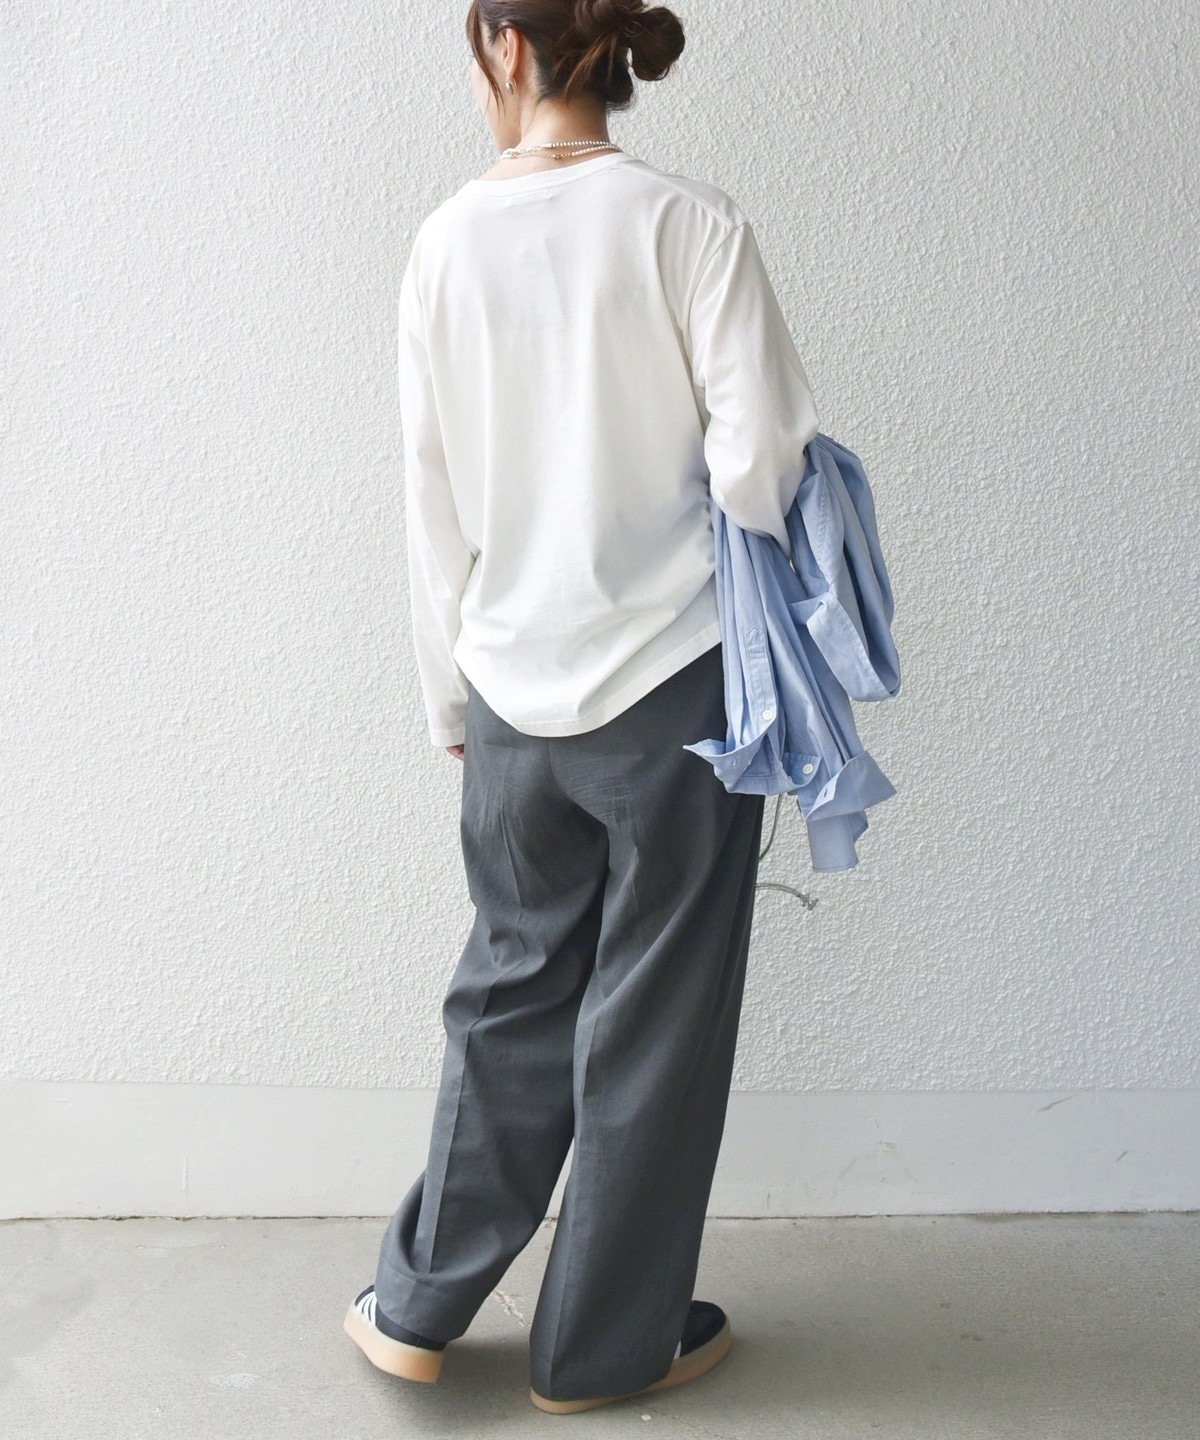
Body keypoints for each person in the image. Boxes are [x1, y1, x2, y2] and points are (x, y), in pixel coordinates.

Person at [343, 0, 820, 1415]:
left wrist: (449, 694)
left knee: (508, 991)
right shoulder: (691, 225)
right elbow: (765, 465)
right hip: (673, 692)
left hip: (506, 689)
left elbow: (430, 502)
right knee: (654, 1020)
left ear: (505, 45)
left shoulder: (445, 243)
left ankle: (417, 1306)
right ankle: (601, 1350)